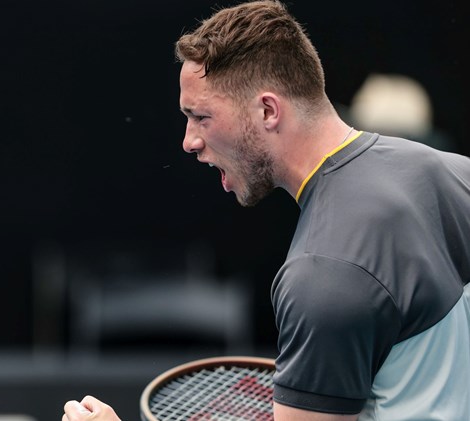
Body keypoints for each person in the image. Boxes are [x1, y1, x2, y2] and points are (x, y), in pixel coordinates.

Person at [63, 1, 470, 420]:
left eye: (201, 116)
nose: (189, 141)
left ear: (268, 111)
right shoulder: (457, 173)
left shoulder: (324, 271)